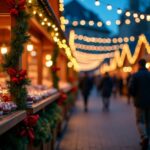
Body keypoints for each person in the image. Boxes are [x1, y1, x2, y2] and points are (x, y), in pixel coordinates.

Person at [129, 59, 150, 150]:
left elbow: (131, 88)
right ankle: (147, 138)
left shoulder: (136, 75)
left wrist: (135, 95)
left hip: (139, 102)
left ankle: (144, 137)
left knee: (140, 121)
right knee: (148, 121)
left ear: (139, 65)